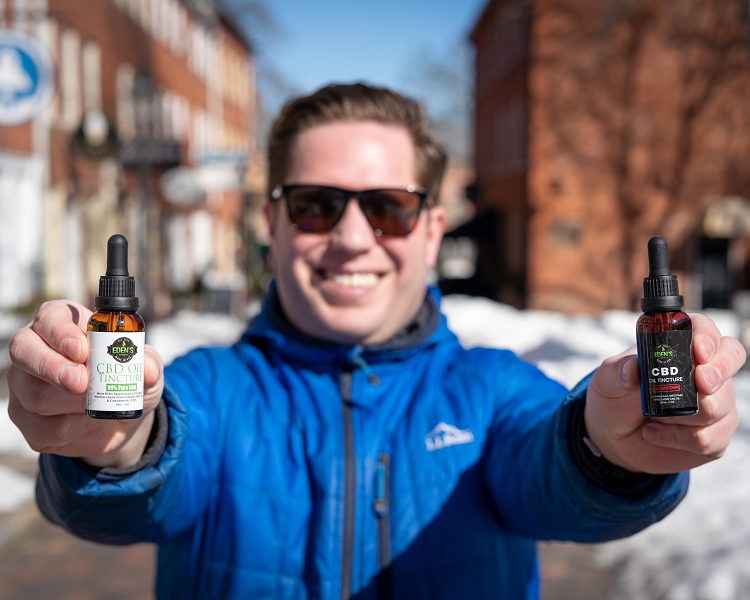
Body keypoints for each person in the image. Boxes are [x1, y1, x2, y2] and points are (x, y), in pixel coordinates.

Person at [8, 84, 745, 600]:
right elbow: (125, 498)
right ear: (273, 224)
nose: (353, 239)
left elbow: (551, 469)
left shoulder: (493, 389)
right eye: (317, 206)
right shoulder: (206, 387)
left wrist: (612, 454)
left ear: (430, 230)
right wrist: (113, 445)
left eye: (388, 208)